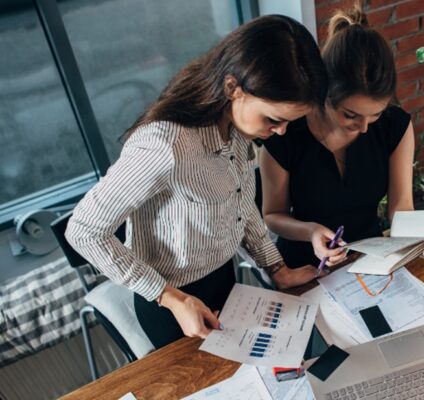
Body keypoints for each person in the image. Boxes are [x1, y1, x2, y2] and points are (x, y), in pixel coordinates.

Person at [65, 15, 328, 349]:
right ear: (234, 88)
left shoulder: (238, 129)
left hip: (226, 282)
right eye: (274, 120)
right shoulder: (166, 146)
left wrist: (277, 268)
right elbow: (84, 230)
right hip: (172, 306)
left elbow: (240, 204)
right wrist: (172, 299)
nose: (281, 132)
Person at [260, 6, 424, 271]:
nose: (364, 128)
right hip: (301, 268)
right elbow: (273, 216)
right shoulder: (285, 133)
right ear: (323, 92)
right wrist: (312, 231)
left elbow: (401, 210)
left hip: (369, 259)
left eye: (375, 114)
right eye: (350, 115)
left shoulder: (394, 126)